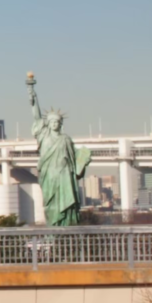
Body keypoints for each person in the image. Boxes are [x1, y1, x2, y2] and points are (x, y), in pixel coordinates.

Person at [28, 77, 91, 226]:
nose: (55, 124)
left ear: (61, 124)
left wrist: (84, 158)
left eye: (57, 122)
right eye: (52, 122)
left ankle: (68, 233)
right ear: (47, 124)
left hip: (65, 176)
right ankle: (54, 232)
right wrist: (32, 94)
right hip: (49, 175)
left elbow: (75, 159)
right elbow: (36, 117)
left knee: (68, 206)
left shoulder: (66, 139)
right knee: (51, 205)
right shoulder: (43, 135)